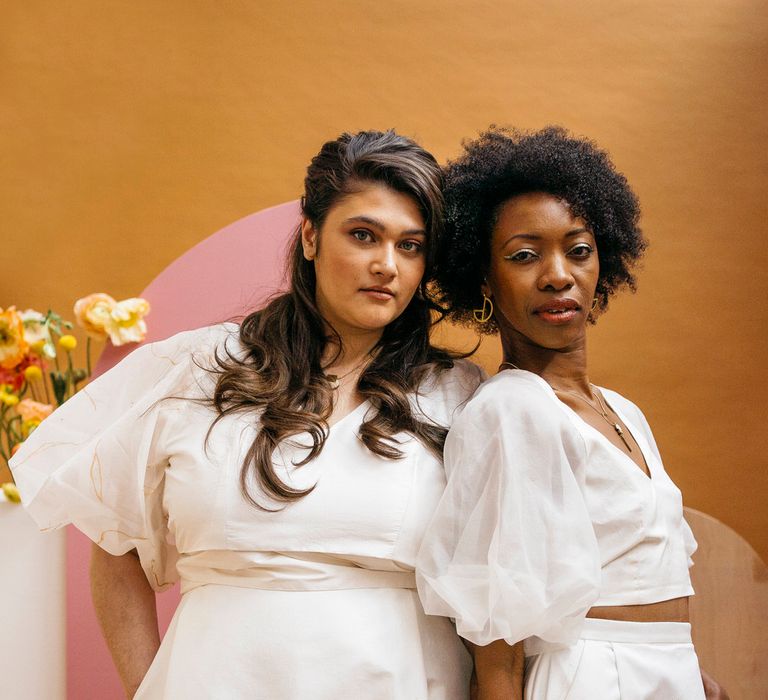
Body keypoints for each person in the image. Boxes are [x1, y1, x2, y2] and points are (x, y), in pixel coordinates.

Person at [10, 130, 485, 699]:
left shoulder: (454, 395)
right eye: (363, 235)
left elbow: (488, 581)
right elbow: (116, 551)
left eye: (410, 245)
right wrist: (147, 690)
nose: (387, 264)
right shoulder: (194, 368)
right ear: (310, 236)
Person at [416, 126, 728, 699]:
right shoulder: (512, 410)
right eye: (524, 256)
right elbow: (498, 648)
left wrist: (692, 677)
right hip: (592, 677)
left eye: (578, 250)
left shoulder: (624, 412)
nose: (558, 274)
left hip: (665, 673)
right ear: (484, 280)